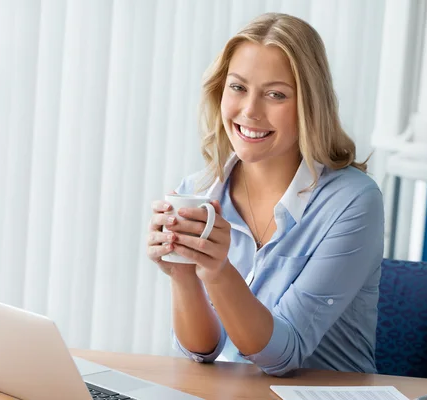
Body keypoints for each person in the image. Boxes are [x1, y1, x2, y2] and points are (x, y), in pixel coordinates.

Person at [146, 12, 384, 377]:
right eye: (238, 87)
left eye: (276, 94)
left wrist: (217, 270)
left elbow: (282, 355)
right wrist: (182, 274)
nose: (250, 111)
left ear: (309, 104)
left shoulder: (352, 201)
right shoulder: (196, 192)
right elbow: (202, 352)